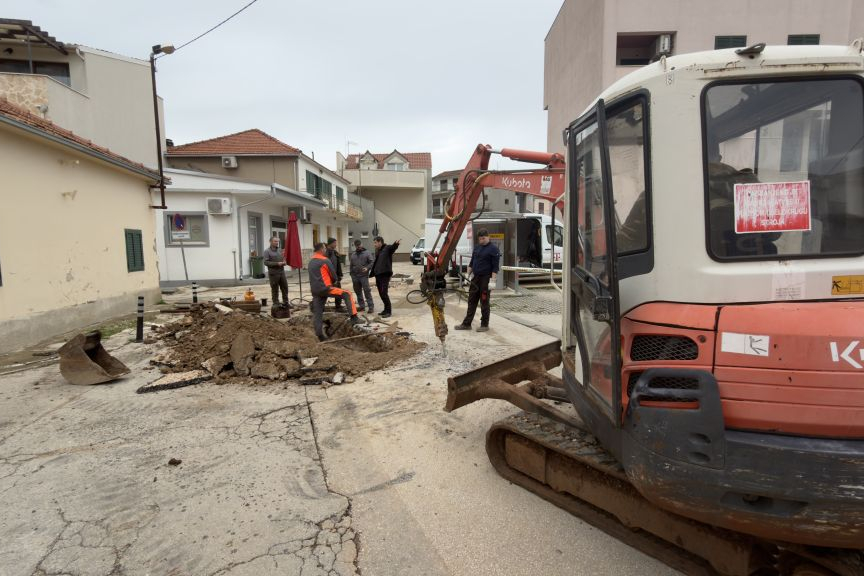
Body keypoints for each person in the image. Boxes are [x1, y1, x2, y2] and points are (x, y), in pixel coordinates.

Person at [308, 242, 359, 341]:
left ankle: (320, 335)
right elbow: (334, 276)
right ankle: (354, 317)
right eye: (324, 248)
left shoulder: (311, 261)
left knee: (318, 313)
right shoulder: (324, 260)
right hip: (326, 289)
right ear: (321, 249)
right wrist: (334, 281)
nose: (325, 250)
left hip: (315, 291)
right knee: (347, 293)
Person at [454, 229, 500, 332]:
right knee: (471, 300)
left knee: (484, 301)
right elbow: (471, 263)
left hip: (486, 278)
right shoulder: (477, 248)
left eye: (483, 238)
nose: (482, 240)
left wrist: (493, 281)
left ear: (488, 237)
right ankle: (466, 324)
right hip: (476, 278)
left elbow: (495, 267)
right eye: (480, 239)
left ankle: (484, 324)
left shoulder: (494, 249)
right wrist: (467, 275)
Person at [369, 236, 400, 318]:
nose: (374, 244)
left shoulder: (387, 248)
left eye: (375, 242)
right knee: (381, 294)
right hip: (378, 275)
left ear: (380, 242)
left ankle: (388, 311)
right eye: (374, 243)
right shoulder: (378, 251)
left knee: (384, 293)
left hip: (384, 276)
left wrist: (396, 244)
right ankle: (385, 310)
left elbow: (392, 248)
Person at [263, 236, 290, 308]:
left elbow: (283, 258)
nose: (277, 243)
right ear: (270, 242)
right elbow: (266, 262)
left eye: (277, 241)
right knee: (275, 289)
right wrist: (277, 264)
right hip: (273, 273)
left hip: (281, 272)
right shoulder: (267, 251)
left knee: (285, 287)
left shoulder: (280, 250)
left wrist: (284, 262)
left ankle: (286, 302)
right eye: (275, 241)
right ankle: (276, 303)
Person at [349, 239, 375, 313]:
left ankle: (371, 307)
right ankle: (362, 306)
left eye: (359, 245)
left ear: (362, 244)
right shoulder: (353, 255)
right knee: (358, 292)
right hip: (355, 276)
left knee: (367, 291)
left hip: (363, 276)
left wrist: (367, 268)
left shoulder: (367, 253)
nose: (358, 247)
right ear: (355, 246)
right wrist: (352, 275)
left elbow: (372, 262)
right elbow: (351, 266)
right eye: (357, 246)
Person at [325, 237, 345, 312]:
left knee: (338, 291)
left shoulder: (335, 252)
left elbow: (338, 264)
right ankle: (319, 306)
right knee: (326, 292)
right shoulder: (326, 253)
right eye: (335, 243)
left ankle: (338, 306)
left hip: (336, 276)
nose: (336, 244)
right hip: (328, 277)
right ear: (331, 243)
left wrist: (339, 275)